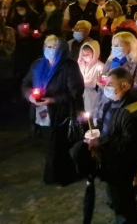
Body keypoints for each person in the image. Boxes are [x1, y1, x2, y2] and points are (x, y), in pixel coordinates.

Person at [84, 67, 137, 224]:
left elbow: (129, 143)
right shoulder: (111, 103)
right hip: (109, 160)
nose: (106, 87)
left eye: (111, 84)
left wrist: (99, 142)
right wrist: (95, 133)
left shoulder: (132, 110)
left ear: (125, 86)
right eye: (106, 84)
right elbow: (105, 127)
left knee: (124, 201)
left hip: (122, 165)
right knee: (115, 199)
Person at [21, 35, 84, 185]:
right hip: (41, 113)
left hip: (60, 113)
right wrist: (30, 96)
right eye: (47, 46)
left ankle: (58, 177)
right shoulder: (37, 65)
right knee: (49, 144)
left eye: (53, 46)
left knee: (58, 145)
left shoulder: (69, 66)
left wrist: (53, 100)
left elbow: (76, 91)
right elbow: (26, 83)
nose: (50, 50)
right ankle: (60, 174)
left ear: (61, 48)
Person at [104, 31, 137, 100]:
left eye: (118, 45)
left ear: (129, 45)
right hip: (108, 103)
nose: (114, 48)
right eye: (113, 45)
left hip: (127, 104)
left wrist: (120, 94)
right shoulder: (111, 61)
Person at [77, 40, 104, 114]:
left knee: (90, 113)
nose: (85, 56)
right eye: (83, 54)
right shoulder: (79, 64)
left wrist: (94, 82)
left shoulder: (101, 66)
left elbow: (103, 81)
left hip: (92, 96)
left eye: (88, 54)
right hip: (79, 94)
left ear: (94, 53)